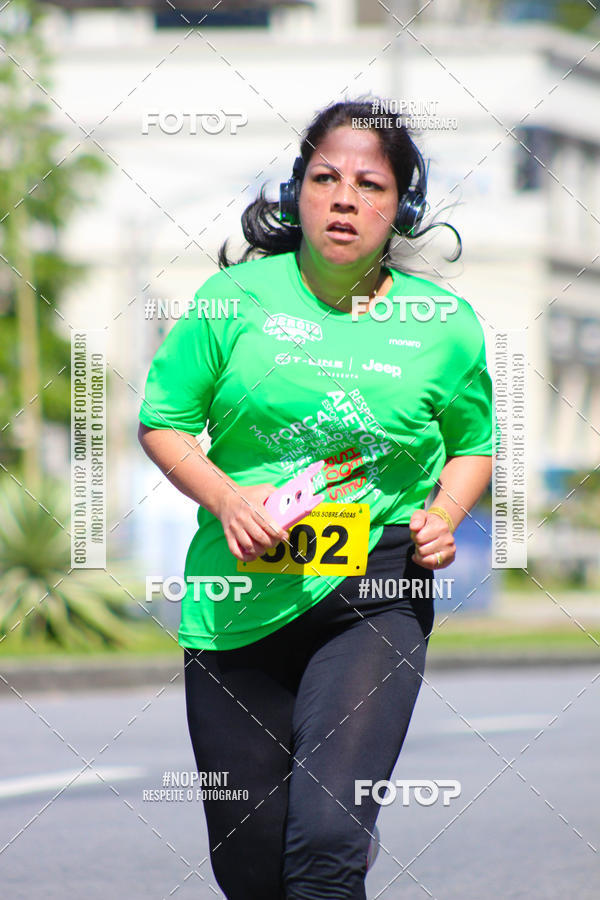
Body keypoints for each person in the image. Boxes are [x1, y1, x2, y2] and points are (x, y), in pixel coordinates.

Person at [138, 98, 498, 900]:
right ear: (295, 190)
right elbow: (163, 422)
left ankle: (340, 847)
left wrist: (443, 517)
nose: (344, 200)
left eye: (370, 185)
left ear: (401, 206)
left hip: (375, 590)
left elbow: (474, 444)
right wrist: (228, 499)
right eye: (325, 178)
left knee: (326, 841)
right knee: (252, 866)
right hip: (239, 593)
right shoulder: (233, 300)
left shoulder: (443, 324)